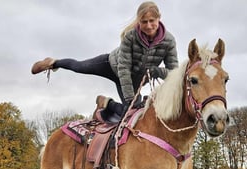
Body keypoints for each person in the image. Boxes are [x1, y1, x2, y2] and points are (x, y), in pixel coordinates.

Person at [31, 1, 178, 120]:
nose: (148, 26)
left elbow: (174, 73)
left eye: (152, 21)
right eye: (143, 21)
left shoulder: (169, 41)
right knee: (80, 66)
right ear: (139, 21)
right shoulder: (130, 37)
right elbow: (124, 69)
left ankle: (106, 103)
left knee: (134, 115)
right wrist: (129, 99)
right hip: (113, 66)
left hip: (135, 80)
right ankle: (54, 62)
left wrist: (158, 71)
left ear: (159, 18)